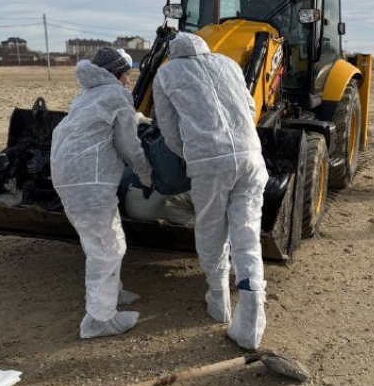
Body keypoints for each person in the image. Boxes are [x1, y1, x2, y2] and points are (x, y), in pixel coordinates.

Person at [153, 32, 269, 350]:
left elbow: (168, 127)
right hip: (250, 157)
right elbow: (249, 105)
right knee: (247, 234)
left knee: (211, 229)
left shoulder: (166, 72)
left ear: (174, 52)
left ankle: (219, 304)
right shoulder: (229, 63)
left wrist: (190, 153)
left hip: (208, 161)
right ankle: (252, 318)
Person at [50, 47, 153, 339]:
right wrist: (145, 174)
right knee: (110, 246)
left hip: (66, 177)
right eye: (127, 75)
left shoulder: (84, 96)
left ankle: (112, 293)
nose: (129, 81)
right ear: (117, 73)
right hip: (89, 180)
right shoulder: (116, 95)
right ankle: (99, 319)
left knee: (96, 240)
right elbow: (128, 146)